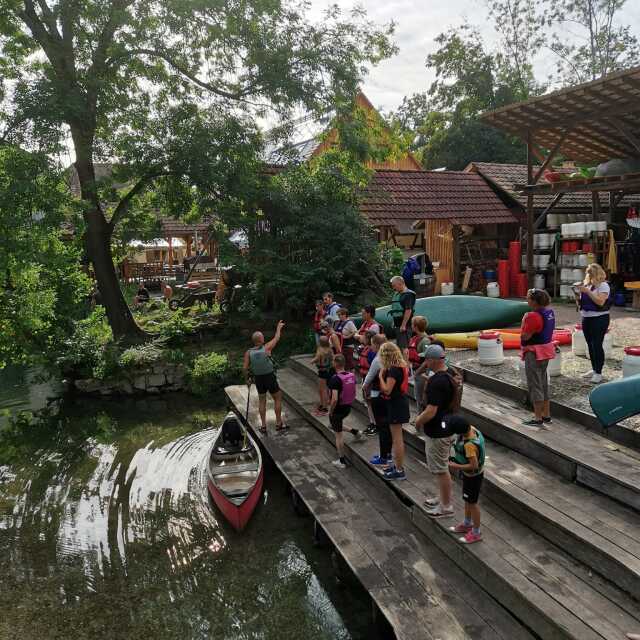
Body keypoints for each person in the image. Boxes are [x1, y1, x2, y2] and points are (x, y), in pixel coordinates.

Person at [416, 344, 456, 518]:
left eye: (426, 359)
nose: (425, 362)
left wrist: (418, 421)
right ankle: (442, 498)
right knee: (442, 467)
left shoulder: (436, 381)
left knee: (441, 469)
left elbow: (431, 410)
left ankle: (446, 506)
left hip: (438, 432)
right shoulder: (449, 375)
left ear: (433, 360)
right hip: (446, 425)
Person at [447, 415, 485, 544]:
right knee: (467, 500)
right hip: (470, 476)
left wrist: (455, 465)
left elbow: (473, 465)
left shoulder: (469, 445)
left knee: (472, 503)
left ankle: (476, 532)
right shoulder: (473, 429)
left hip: (473, 477)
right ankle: (467, 523)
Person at [243, 321, 286, 434]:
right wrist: (278, 328)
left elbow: (245, 368)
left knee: (262, 401)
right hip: (269, 377)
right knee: (277, 398)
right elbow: (277, 338)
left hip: (259, 379)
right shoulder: (267, 348)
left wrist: (247, 379)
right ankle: (278, 423)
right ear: (261, 340)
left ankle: (263, 426)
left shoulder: (248, 352)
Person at [521, 288, 556, 426]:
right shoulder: (549, 313)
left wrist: (524, 320)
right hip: (546, 351)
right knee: (543, 382)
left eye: (528, 298)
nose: (527, 300)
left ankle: (537, 418)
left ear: (534, 302)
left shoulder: (532, 316)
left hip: (534, 352)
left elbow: (526, 336)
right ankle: (546, 415)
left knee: (535, 385)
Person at [378, 342, 411, 481]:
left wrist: (380, 376)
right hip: (400, 402)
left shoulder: (393, 370)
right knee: (397, 438)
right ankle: (397, 466)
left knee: (397, 439)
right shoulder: (402, 365)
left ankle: (399, 470)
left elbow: (387, 389)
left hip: (396, 404)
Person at [575, 263, 612, 384]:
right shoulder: (587, 285)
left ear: (597, 273)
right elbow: (581, 304)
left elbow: (600, 302)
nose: (589, 275)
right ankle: (594, 369)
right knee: (589, 344)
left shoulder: (604, 285)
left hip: (600, 318)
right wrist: (577, 296)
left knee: (597, 344)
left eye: (591, 273)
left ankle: (599, 373)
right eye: (588, 273)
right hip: (586, 317)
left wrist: (587, 291)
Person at [328, 354, 363, 468]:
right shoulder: (351, 375)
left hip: (338, 409)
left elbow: (334, 399)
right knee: (333, 425)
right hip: (347, 406)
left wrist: (330, 411)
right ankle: (355, 432)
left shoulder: (335, 379)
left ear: (334, 363)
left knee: (338, 435)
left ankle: (342, 461)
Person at [363, 334, 392, 457]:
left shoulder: (377, 359)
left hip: (377, 393)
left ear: (376, 345)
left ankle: (384, 456)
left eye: (372, 344)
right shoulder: (391, 356)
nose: (371, 347)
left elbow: (369, 377)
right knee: (388, 427)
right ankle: (388, 454)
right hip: (389, 395)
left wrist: (364, 388)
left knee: (382, 427)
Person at [407, 316, 430, 413]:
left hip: (422, 373)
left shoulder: (425, 341)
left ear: (415, 327)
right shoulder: (415, 338)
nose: (411, 326)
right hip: (416, 371)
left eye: (412, 324)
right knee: (417, 396)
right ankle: (419, 416)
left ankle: (421, 420)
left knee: (421, 398)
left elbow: (427, 360)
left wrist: (416, 373)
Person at [389, 275, 416, 357]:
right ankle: (402, 366)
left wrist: (403, 325)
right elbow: (396, 310)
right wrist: (394, 321)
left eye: (394, 285)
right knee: (400, 347)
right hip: (398, 325)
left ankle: (406, 367)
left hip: (404, 327)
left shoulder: (408, 295)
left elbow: (408, 310)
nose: (393, 288)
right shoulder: (398, 294)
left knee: (404, 348)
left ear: (401, 283)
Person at [311, 335, 334, 416]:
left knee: (322, 389)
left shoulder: (320, 349)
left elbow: (317, 358)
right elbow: (333, 359)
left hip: (322, 371)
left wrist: (312, 361)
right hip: (330, 370)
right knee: (325, 389)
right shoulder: (330, 349)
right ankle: (323, 404)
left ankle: (324, 407)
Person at [334, 307, 358, 372]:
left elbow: (355, 331)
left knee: (349, 364)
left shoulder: (349, 323)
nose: (338, 317)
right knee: (343, 363)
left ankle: (351, 378)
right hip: (341, 346)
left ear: (344, 314)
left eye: (339, 315)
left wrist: (347, 337)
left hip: (348, 346)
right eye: (338, 315)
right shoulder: (340, 322)